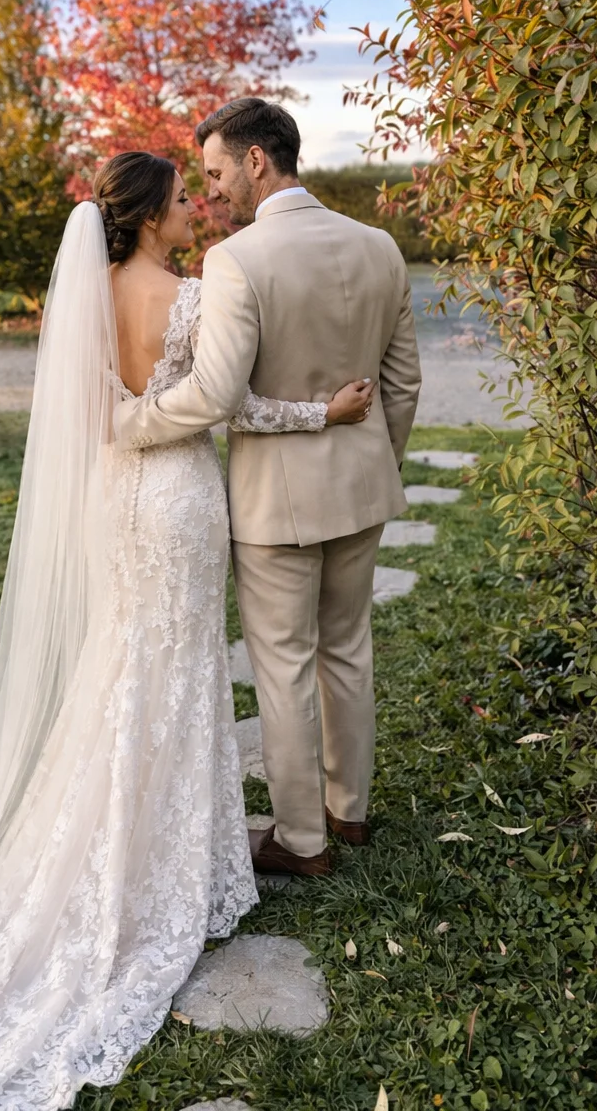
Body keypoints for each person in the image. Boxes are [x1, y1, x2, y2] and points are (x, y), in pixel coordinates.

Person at [0, 149, 373, 1110]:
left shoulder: (84, 296)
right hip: (182, 498)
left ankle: (111, 838)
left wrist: (130, 424)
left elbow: (93, 419)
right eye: (181, 201)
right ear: (152, 215)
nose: (196, 211)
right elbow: (228, 405)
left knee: (126, 662)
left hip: (120, 502)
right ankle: (161, 860)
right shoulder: (194, 294)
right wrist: (322, 410)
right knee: (182, 667)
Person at [117, 99, 422, 878]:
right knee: (348, 649)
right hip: (362, 486)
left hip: (272, 505)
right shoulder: (381, 247)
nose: (212, 191)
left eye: (217, 172)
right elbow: (403, 384)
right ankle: (348, 813)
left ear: (258, 161)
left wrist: (132, 423)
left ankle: (300, 840)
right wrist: (373, 461)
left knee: (283, 664)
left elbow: (217, 393)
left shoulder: (237, 261)